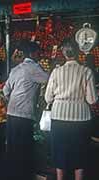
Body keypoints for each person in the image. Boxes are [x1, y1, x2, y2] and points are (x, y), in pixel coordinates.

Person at [45, 38, 98, 180]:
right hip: (80, 119)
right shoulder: (86, 72)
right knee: (79, 153)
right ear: (78, 51)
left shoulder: (56, 72)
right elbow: (92, 99)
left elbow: (48, 98)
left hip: (59, 116)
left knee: (60, 152)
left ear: (63, 53)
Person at [3, 40, 49, 180]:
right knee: (24, 148)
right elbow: (49, 80)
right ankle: (22, 175)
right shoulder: (34, 67)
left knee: (12, 147)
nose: (39, 55)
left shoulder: (16, 69)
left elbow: (5, 90)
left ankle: (10, 174)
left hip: (11, 112)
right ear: (33, 54)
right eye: (38, 53)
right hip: (24, 114)